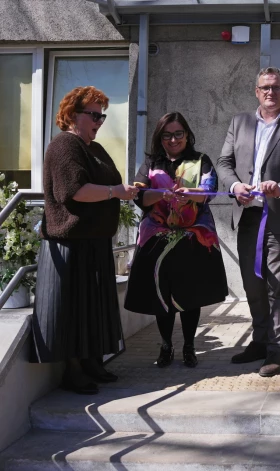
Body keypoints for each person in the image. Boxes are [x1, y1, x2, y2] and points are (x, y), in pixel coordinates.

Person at [31, 86, 138, 395]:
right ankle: (73, 371)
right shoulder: (64, 145)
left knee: (93, 309)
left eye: (101, 116)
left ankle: (91, 362)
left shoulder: (95, 148)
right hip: (70, 244)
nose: (99, 122)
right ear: (72, 114)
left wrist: (123, 190)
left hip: (94, 241)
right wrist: (115, 192)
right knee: (74, 311)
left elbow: (109, 184)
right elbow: (73, 191)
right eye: (93, 115)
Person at [217, 67, 280, 377]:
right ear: (256, 92)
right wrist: (235, 186)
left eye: (276, 87)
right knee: (252, 284)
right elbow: (224, 162)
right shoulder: (239, 122)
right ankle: (259, 341)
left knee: (277, 286)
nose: (271, 92)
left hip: (279, 217)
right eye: (265, 87)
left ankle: (276, 350)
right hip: (247, 215)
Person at [124, 112, 228, 369]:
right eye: (167, 135)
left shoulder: (200, 160)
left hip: (192, 239)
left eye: (178, 134)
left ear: (187, 135)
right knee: (162, 296)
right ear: (159, 137)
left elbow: (208, 193)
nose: (173, 139)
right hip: (157, 241)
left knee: (190, 295)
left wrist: (189, 194)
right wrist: (161, 194)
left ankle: (189, 346)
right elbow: (139, 196)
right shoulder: (151, 163)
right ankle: (166, 345)